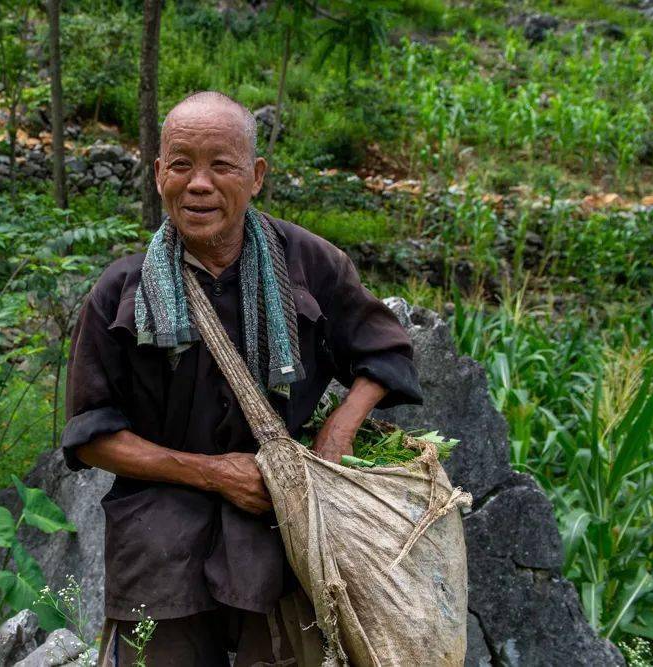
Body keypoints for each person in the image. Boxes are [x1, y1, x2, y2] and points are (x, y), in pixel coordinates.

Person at [61, 90, 423, 666]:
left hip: (280, 541)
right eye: (181, 164)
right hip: (158, 548)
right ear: (159, 175)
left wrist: (338, 429)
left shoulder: (308, 262)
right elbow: (93, 436)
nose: (198, 184)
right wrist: (212, 474)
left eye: (221, 166)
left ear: (255, 177)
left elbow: (385, 351)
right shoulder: (119, 291)